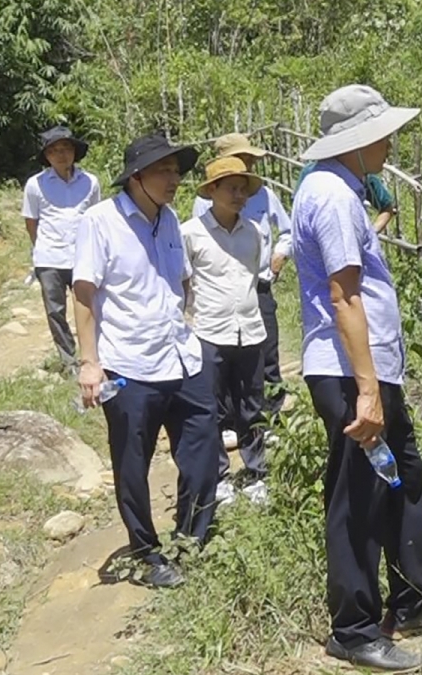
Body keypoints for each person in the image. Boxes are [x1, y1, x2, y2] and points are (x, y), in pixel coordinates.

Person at [292, 84, 422, 672]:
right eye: (382, 134)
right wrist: (366, 389)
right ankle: (354, 630)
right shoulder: (331, 197)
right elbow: (343, 294)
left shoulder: (340, 190)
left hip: (369, 366)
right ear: (354, 142)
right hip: (350, 369)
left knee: (402, 475)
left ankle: (409, 601)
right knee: (360, 491)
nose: (390, 143)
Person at [73, 133, 220, 588]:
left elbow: (181, 284)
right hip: (128, 363)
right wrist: (89, 363)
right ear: (137, 178)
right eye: (165, 171)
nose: (175, 179)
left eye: (177, 170)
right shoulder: (100, 221)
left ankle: (190, 542)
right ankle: (148, 553)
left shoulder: (171, 219)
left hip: (180, 355)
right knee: (132, 463)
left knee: (203, 451)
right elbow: (83, 293)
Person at [182, 157, 270, 506]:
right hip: (209, 330)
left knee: (252, 405)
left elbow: (253, 275)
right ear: (212, 191)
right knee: (212, 408)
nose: (238, 195)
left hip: (249, 329)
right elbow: (184, 281)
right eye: (231, 188)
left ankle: (255, 473)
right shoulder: (191, 233)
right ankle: (218, 475)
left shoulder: (253, 233)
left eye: (243, 189)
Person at [191, 133, 292, 437]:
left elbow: (286, 232)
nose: (247, 164)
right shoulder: (202, 205)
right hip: (220, 294)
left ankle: (269, 420)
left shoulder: (263, 195)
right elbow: (203, 246)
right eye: (241, 158)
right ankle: (230, 423)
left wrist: (278, 257)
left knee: (266, 354)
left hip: (257, 284)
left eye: (248, 159)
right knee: (222, 364)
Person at [21, 126, 101, 374]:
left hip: (83, 255)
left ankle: (95, 356)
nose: (60, 154)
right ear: (47, 156)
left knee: (92, 306)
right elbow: (31, 222)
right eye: (54, 150)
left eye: (65, 148)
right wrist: (41, 249)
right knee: (55, 311)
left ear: (74, 152)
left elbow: (96, 218)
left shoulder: (90, 182)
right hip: (50, 256)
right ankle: (69, 362)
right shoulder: (36, 185)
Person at [297, 161, 398, 233]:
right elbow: (298, 211)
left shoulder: (360, 172)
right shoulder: (310, 171)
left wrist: (371, 234)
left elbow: (386, 207)